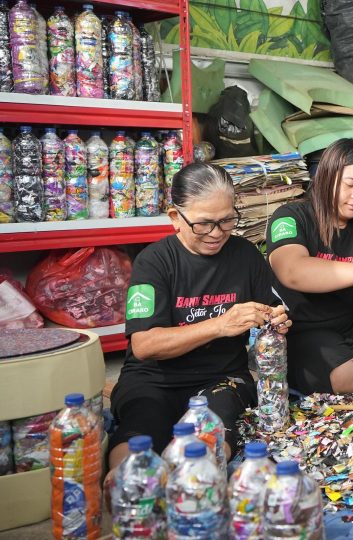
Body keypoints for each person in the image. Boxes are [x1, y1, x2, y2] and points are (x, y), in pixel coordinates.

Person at [108, 163, 289, 470]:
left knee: (213, 440)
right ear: (175, 218)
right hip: (154, 379)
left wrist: (278, 320)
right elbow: (145, 345)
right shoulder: (153, 262)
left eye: (227, 220)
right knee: (140, 440)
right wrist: (220, 325)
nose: (217, 234)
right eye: (204, 224)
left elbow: (274, 310)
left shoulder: (245, 256)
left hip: (221, 379)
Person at [267, 138, 353, 395]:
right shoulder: (291, 217)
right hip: (305, 332)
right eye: (349, 184)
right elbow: (291, 271)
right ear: (327, 177)